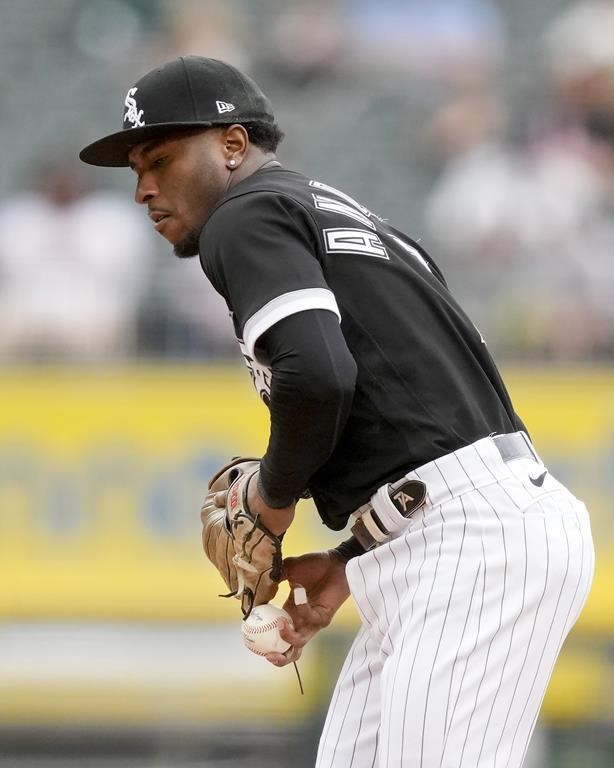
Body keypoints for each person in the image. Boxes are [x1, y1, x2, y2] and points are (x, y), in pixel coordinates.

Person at [80, 56, 595, 768]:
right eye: (136, 169)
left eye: (161, 159)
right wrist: (356, 553)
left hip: (473, 542)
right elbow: (423, 412)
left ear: (232, 145)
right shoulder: (337, 213)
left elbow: (318, 377)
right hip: (445, 531)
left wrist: (272, 496)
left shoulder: (244, 214)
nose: (143, 189)